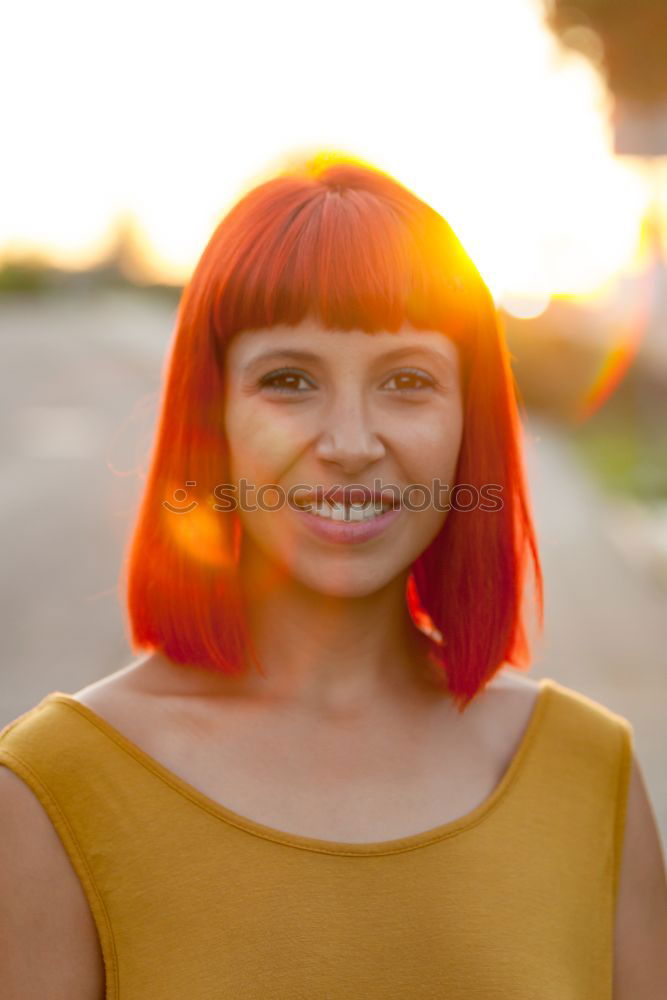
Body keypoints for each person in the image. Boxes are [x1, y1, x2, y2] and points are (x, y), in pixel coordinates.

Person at [1, 152, 665, 999]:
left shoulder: (591, 776)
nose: (350, 443)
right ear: (214, 420)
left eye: (407, 381)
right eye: (288, 380)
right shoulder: (52, 790)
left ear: (471, 425)